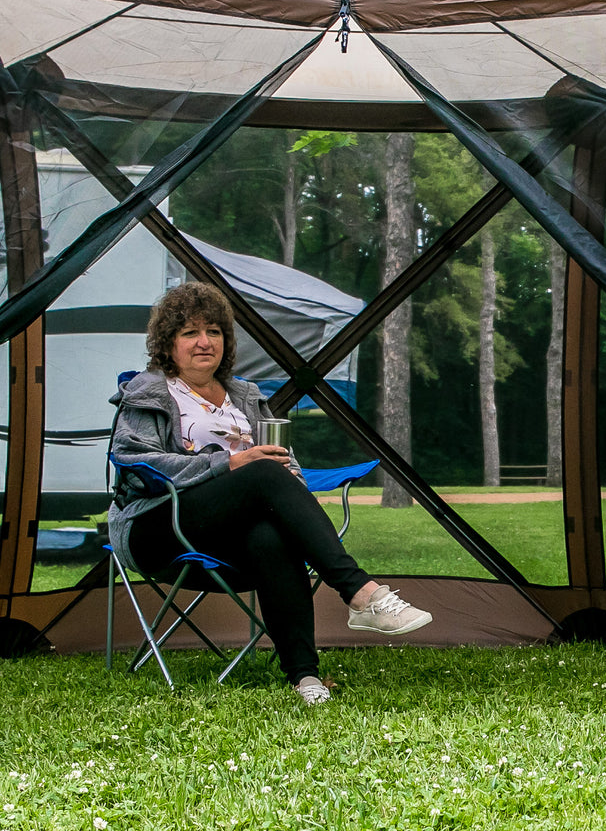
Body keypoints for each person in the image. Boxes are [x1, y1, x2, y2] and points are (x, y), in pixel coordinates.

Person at [107, 281, 433, 705]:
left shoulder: (246, 396)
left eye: (214, 331)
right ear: (168, 345)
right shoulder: (148, 392)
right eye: (190, 333)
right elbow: (134, 460)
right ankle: (359, 591)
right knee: (261, 470)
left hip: (232, 531)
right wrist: (227, 463)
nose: (204, 342)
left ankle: (306, 678)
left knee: (271, 534)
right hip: (158, 524)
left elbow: (287, 463)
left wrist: (281, 491)